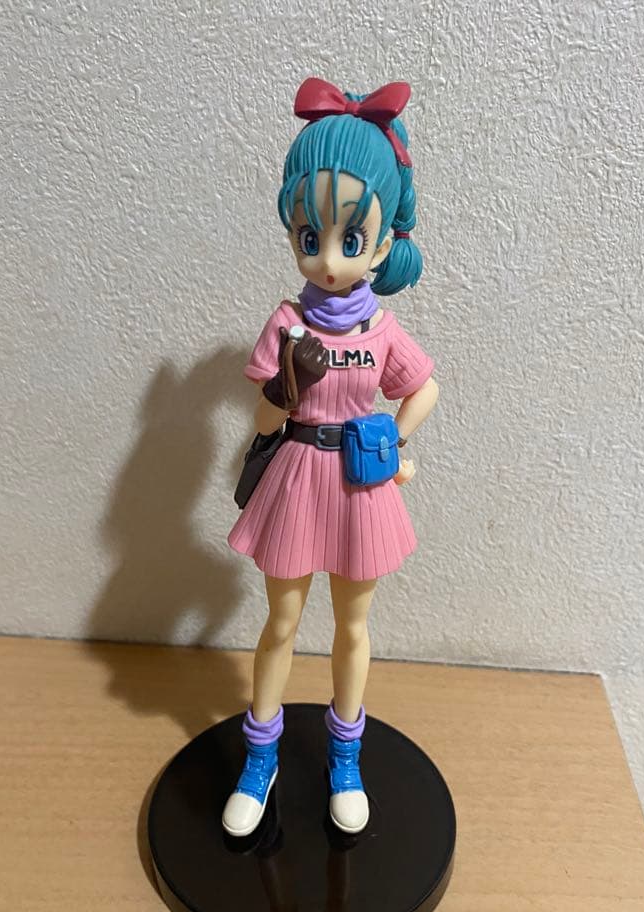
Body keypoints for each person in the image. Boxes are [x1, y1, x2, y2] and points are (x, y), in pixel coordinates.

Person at [224, 78, 440, 837]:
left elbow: (424, 388)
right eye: (308, 236)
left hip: (357, 484)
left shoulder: (381, 329)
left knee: (353, 625)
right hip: (296, 476)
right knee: (281, 620)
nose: (326, 258)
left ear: (381, 242)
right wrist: (286, 388)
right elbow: (261, 418)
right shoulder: (287, 322)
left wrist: (393, 443)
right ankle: (261, 755)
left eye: (350, 240)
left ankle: (346, 755)